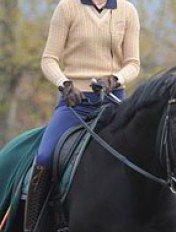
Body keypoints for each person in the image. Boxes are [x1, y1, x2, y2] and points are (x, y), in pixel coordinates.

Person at [24, 0, 140, 231]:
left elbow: (133, 63)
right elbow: (49, 59)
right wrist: (64, 83)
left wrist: (116, 78)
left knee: (143, 154)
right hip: (75, 103)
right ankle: (33, 223)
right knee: (45, 157)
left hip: (112, 101)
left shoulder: (127, 10)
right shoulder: (67, 8)